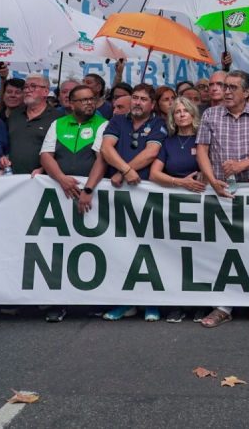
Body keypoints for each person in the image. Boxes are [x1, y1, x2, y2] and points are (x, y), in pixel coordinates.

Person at [196, 70, 249, 328]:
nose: (226, 92)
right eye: (223, 87)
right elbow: (203, 152)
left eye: (232, 88)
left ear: (247, 93)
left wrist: (241, 166)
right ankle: (222, 306)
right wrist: (212, 180)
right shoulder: (210, 114)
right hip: (220, 189)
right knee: (222, 249)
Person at [38, 83, 110, 323]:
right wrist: (60, 179)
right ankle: (57, 303)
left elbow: (102, 158)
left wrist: (88, 188)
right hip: (60, 193)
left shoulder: (102, 124)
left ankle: (94, 299)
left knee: (93, 247)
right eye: (83, 100)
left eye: (92, 99)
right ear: (70, 103)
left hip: (91, 195)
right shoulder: (57, 124)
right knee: (59, 247)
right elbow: (46, 154)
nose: (90, 103)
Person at [97, 83, 166, 321]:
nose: (137, 102)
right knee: (121, 247)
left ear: (152, 104)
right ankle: (124, 302)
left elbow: (151, 152)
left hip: (146, 193)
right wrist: (125, 170)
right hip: (119, 194)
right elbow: (107, 149)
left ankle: (151, 303)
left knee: (150, 249)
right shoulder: (117, 120)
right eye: (135, 98)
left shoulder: (158, 123)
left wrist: (121, 172)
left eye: (143, 99)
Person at [148, 96, 206, 324]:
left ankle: (201, 304)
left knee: (199, 255)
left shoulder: (204, 139)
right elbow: (154, 174)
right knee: (175, 255)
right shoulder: (168, 142)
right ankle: (177, 304)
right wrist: (181, 182)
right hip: (173, 208)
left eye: (186, 110)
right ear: (172, 117)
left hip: (200, 205)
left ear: (193, 114)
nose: (181, 114)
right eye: (177, 111)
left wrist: (199, 179)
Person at [4, 75, 57, 175]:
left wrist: (44, 168)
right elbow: (6, 144)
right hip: (12, 179)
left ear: (46, 91)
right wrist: (4, 158)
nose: (27, 90)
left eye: (33, 86)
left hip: (42, 180)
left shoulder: (58, 118)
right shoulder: (15, 115)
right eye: (26, 87)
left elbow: (62, 152)